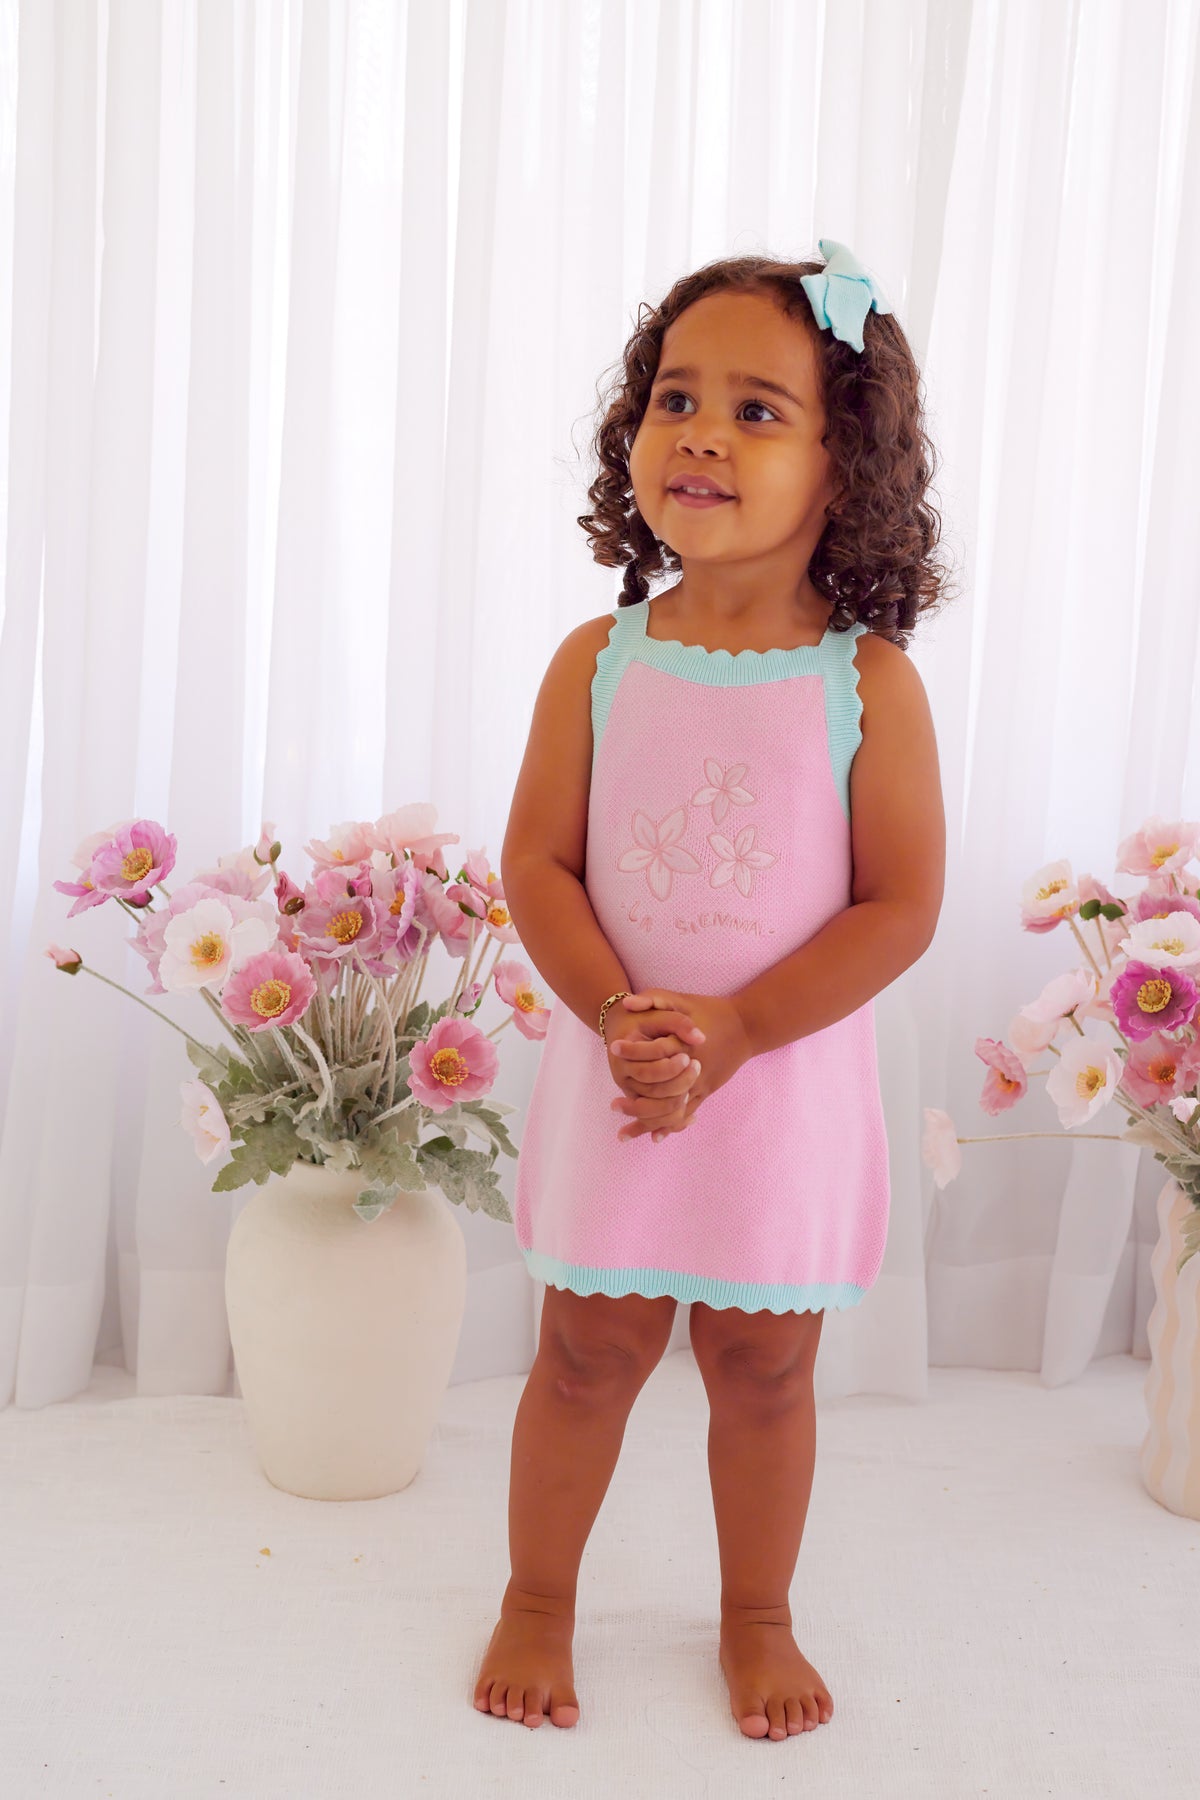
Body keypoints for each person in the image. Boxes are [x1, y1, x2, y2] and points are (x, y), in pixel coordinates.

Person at [472, 241, 950, 1741]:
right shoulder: (597, 662)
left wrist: (741, 1027)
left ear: (845, 464)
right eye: (676, 398)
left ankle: (757, 1615)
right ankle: (536, 1597)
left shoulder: (868, 686)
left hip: (779, 1088)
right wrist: (619, 1014)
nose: (701, 434)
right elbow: (540, 863)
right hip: (621, 1078)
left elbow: (901, 905)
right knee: (584, 1354)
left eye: (757, 410)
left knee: (763, 1367)